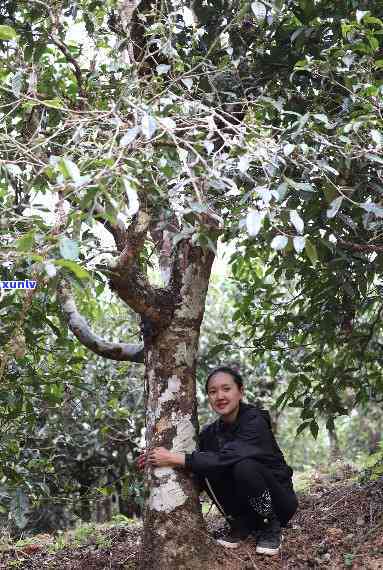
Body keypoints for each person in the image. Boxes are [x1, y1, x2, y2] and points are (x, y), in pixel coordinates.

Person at [137, 366, 298, 555]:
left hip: (280, 503)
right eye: (213, 392)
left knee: (243, 466)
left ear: (240, 392)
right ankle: (241, 524)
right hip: (244, 507)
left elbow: (226, 458)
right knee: (203, 465)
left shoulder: (255, 421)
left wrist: (172, 457)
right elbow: (200, 469)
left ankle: (270, 526)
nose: (220, 396)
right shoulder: (209, 434)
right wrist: (155, 463)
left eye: (226, 389)